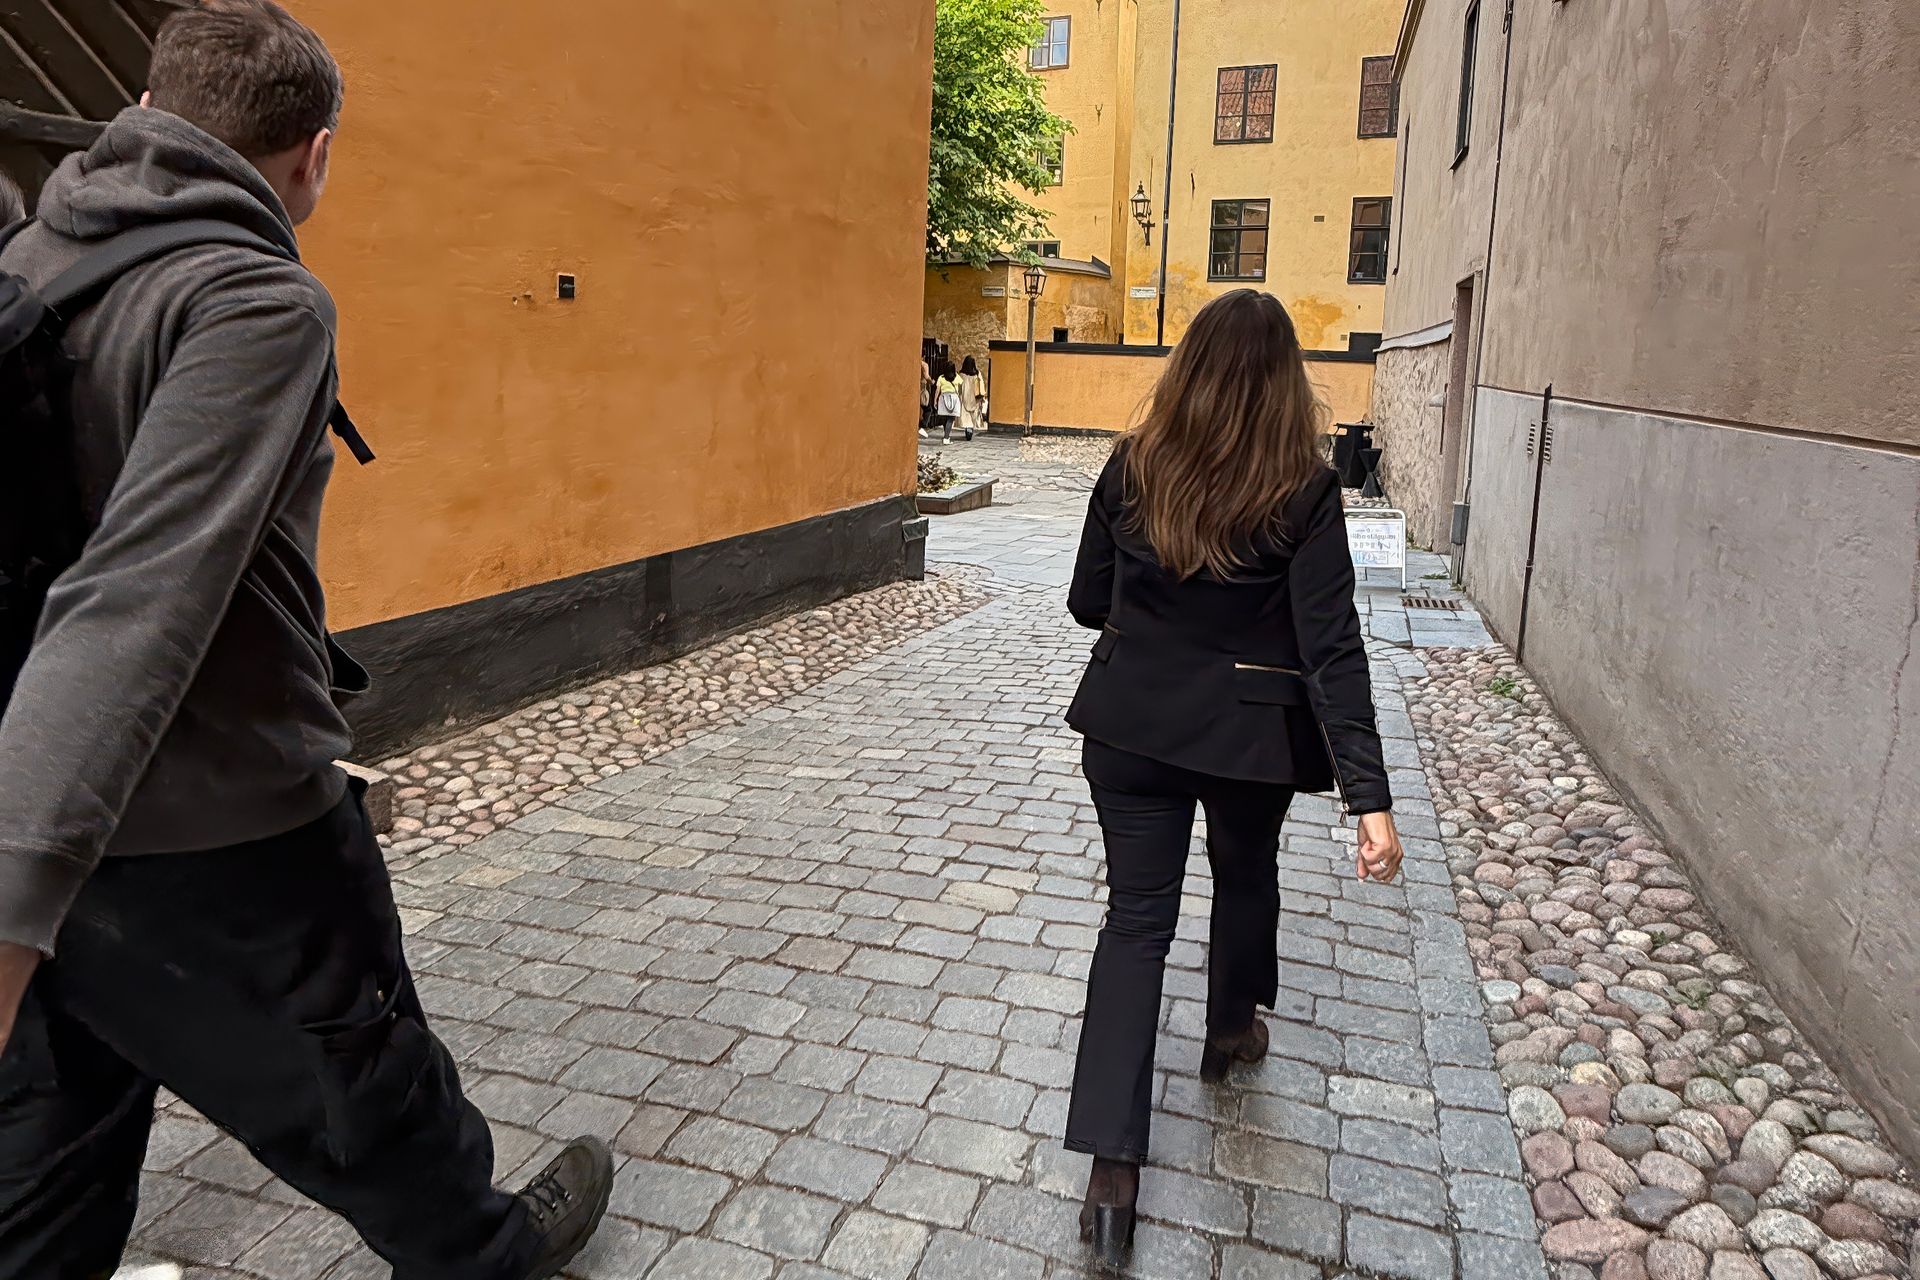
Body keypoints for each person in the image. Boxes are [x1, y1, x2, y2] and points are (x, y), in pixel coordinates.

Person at [0, 4, 610, 1277]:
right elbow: (136, 597)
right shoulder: (254, 298)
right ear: (314, 156)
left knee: (51, 1154)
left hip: (39, 804)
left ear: (147, 108)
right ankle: (487, 1251)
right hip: (225, 830)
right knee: (369, 1089)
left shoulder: (33, 258)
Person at [1061, 289, 1404, 1267]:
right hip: (1250, 738)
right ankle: (1227, 1028)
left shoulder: (1134, 463)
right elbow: (1331, 647)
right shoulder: (1303, 489)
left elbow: (1088, 599)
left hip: (1130, 724)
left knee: (1135, 925)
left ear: (1190, 370)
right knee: (1246, 874)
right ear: (1285, 380)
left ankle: (1113, 1179)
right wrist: (1371, 799)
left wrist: (1162, 622)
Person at [934, 358, 967, 442]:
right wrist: (960, 398)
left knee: (944, 418)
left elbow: (937, 390)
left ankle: (946, 435)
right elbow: (961, 388)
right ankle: (946, 437)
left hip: (943, 398)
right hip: (954, 397)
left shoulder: (941, 377)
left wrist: (935, 400)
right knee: (950, 418)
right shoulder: (957, 377)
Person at [958, 354, 987, 438]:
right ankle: (970, 428)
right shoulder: (977, 374)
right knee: (973, 414)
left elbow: (958, 387)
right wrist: (982, 397)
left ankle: (968, 428)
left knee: (966, 414)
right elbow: (981, 385)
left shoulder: (961, 375)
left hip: (964, 396)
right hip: (975, 397)